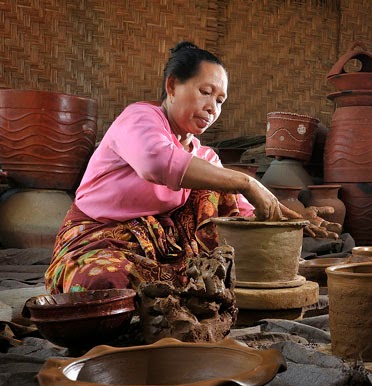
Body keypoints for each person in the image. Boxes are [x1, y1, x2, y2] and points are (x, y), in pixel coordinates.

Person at [45, 41, 337, 294]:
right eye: (205, 92)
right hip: (99, 238)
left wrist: (288, 221)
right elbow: (156, 163)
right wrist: (247, 183)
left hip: (162, 248)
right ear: (172, 85)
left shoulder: (204, 156)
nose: (213, 107)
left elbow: (242, 213)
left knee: (217, 198)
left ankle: (180, 284)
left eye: (220, 100)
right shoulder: (139, 118)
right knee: (103, 286)